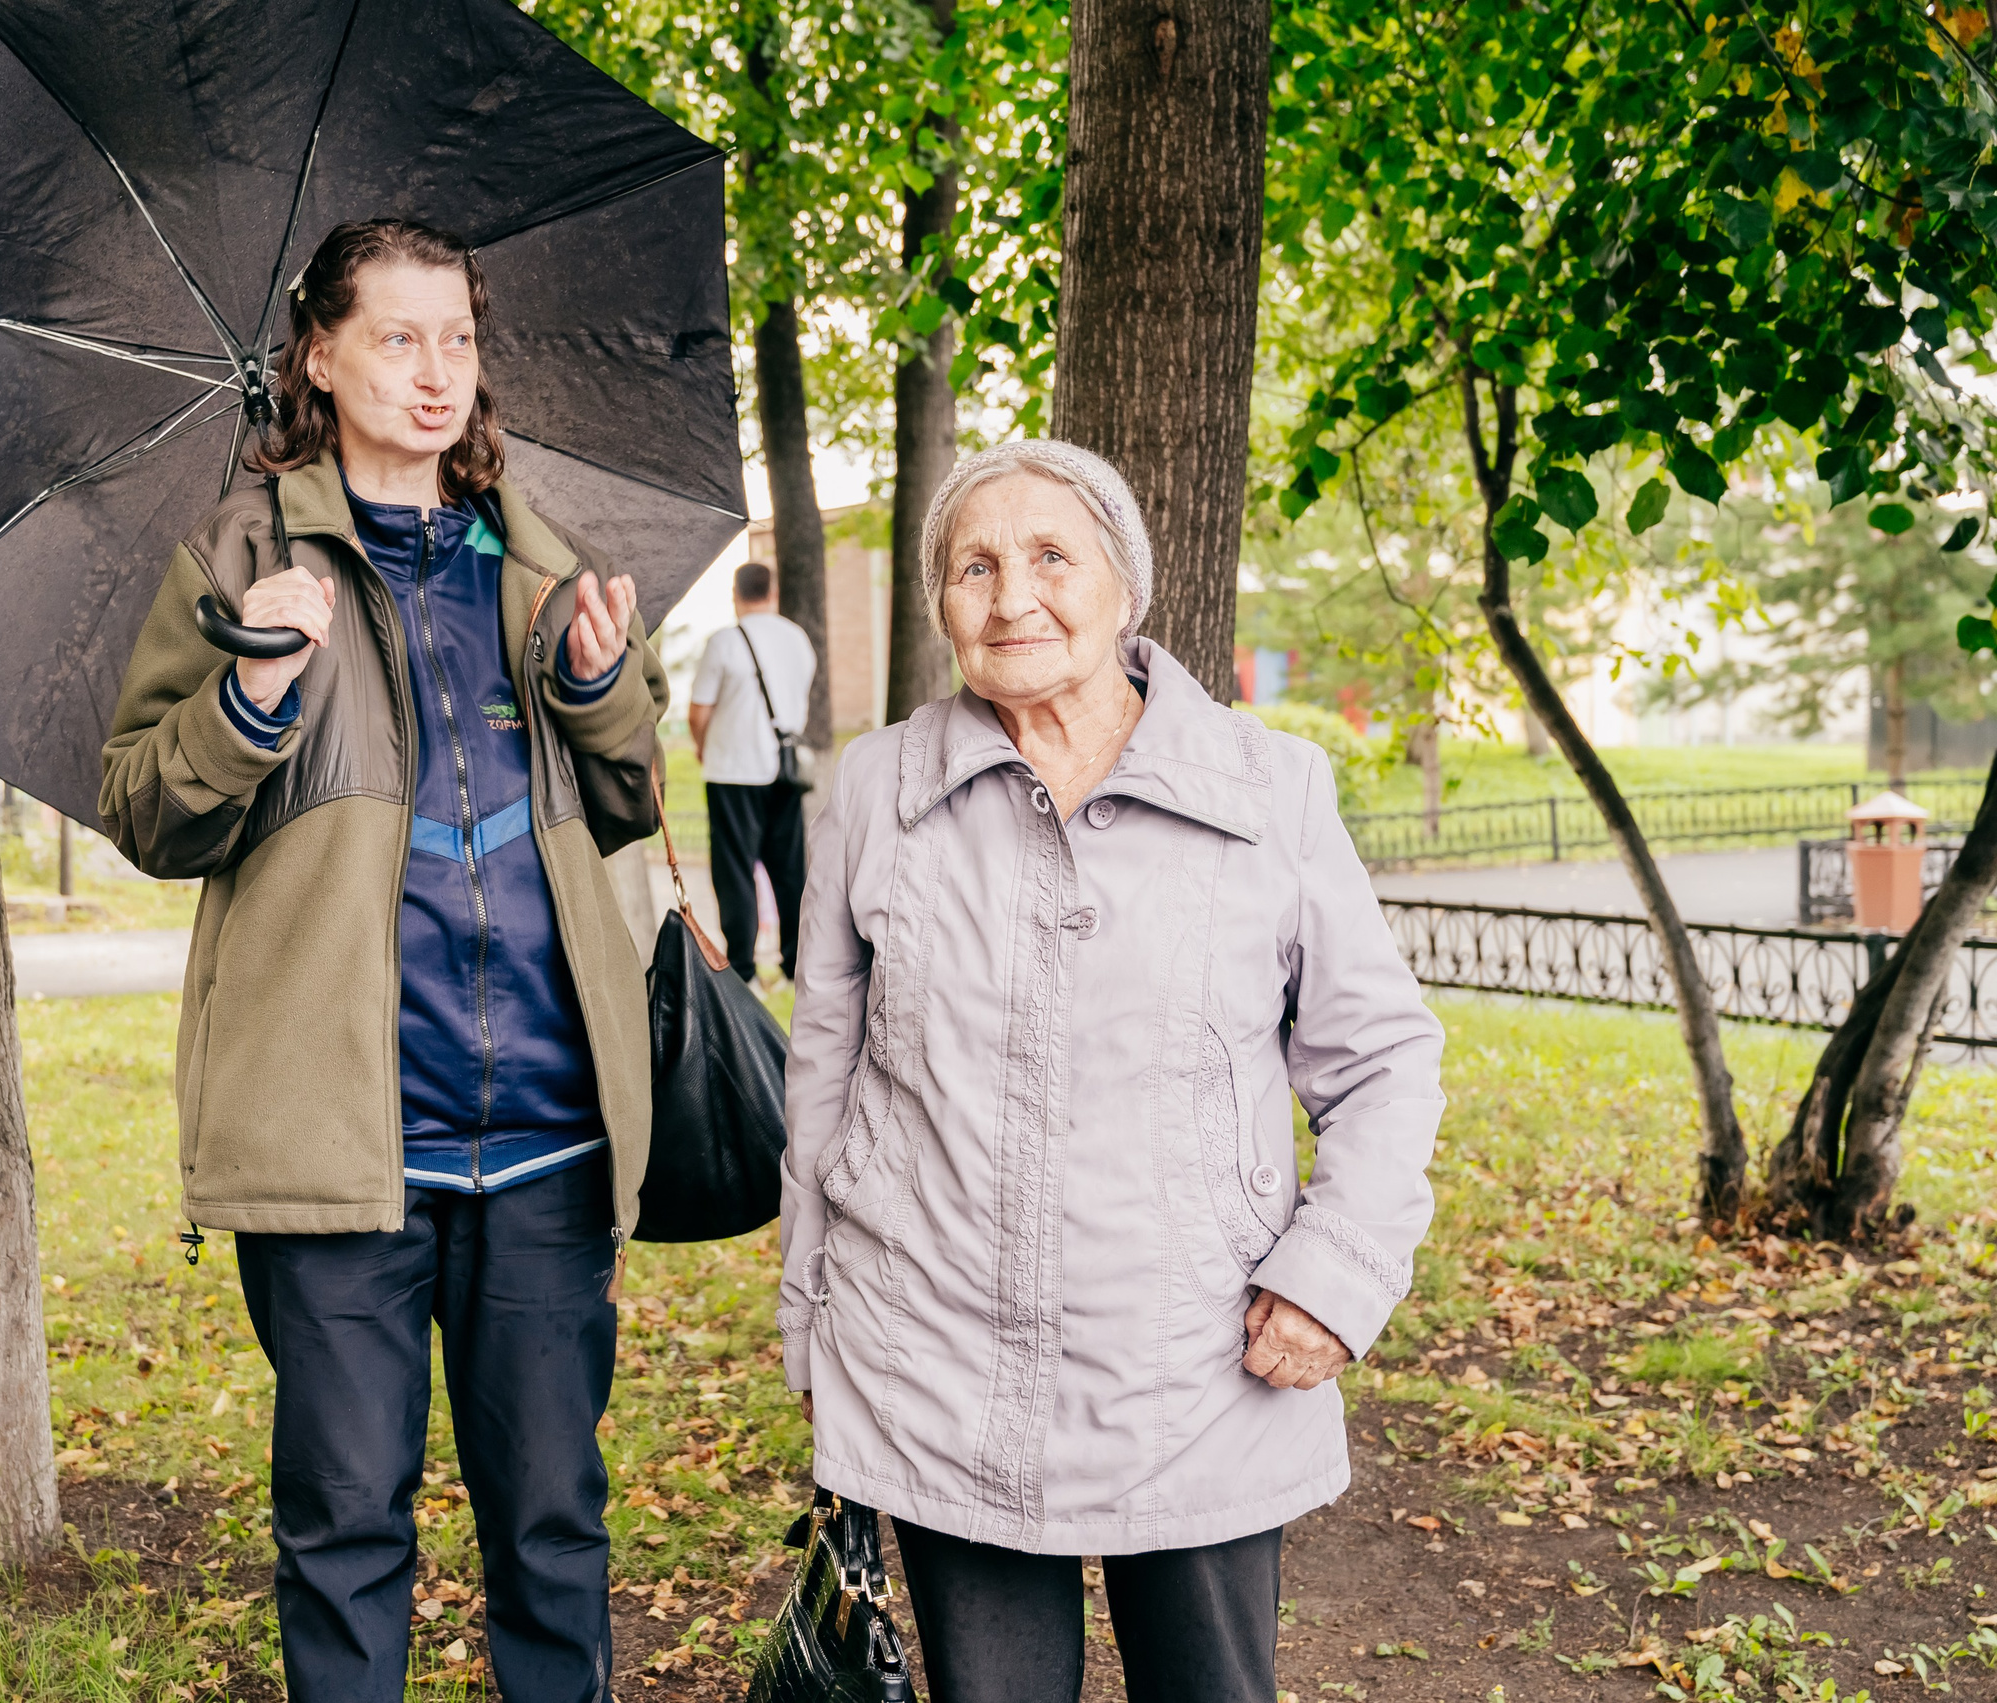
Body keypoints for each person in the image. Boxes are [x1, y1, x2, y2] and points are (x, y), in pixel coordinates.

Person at [777, 440, 1444, 1703]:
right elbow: (826, 1074)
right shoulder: (878, 789)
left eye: (1048, 556)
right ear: (941, 602)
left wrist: (1334, 1277)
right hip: (934, 1356)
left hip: (1195, 1364)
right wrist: (815, 1322)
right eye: (973, 564)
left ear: (1124, 586)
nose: (1010, 594)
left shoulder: (1270, 786)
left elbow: (1383, 1059)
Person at [101, 218, 667, 1703]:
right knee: (346, 1524)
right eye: (399, 337)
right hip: (345, 1141)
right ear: (322, 356)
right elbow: (147, 813)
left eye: (459, 340)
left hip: (545, 1138)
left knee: (553, 1524)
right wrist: (254, 692)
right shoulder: (238, 557)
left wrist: (602, 691)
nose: (436, 372)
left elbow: (629, 795)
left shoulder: (541, 559)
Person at [687, 561, 815, 981]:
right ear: (772, 592)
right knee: (790, 870)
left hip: (732, 773)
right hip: (785, 772)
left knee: (735, 871)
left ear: (735, 594)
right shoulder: (797, 639)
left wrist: (703, 746)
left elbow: (698, 712)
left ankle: (742, 967)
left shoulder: (724, 641)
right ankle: (796, 961)